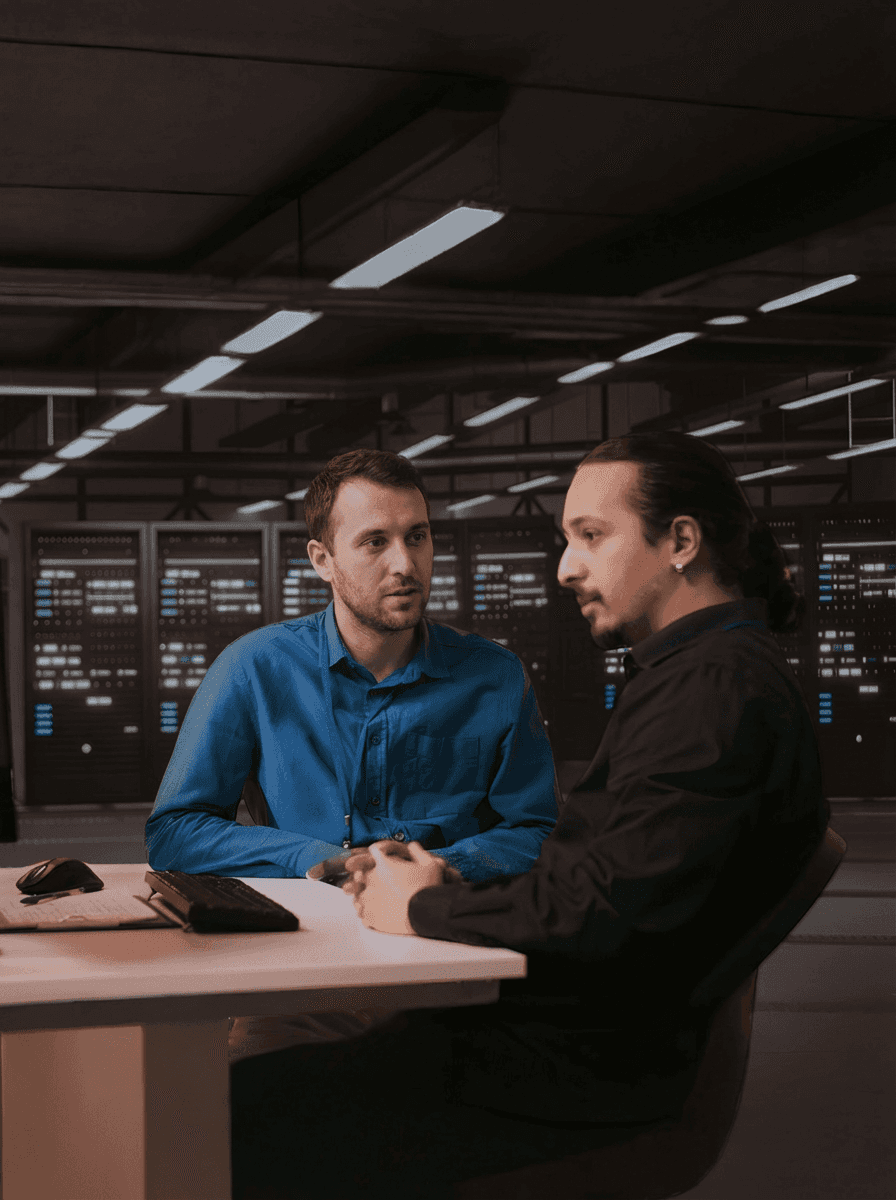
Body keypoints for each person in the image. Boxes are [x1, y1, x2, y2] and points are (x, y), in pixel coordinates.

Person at [230, 432, 829, 1199]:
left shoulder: (710, 695)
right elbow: (611, 887)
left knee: (222, 1114)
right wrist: (447, 886)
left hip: (571, 1082)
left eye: (591, 536)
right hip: (570, 1051)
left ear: (680, 540)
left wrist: (425, 904)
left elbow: (602, 912)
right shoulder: (705, 676)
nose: (565, 567)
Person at [145, 448, 559, 884]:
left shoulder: (496, 676)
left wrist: (441, 867)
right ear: (322, 559)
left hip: (450, 927)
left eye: (417, 537)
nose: (404, 564)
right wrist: (315, 858)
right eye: (375, 542)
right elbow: (175, 831)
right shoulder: (254, 668)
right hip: (306, 935)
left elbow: (538, 830)